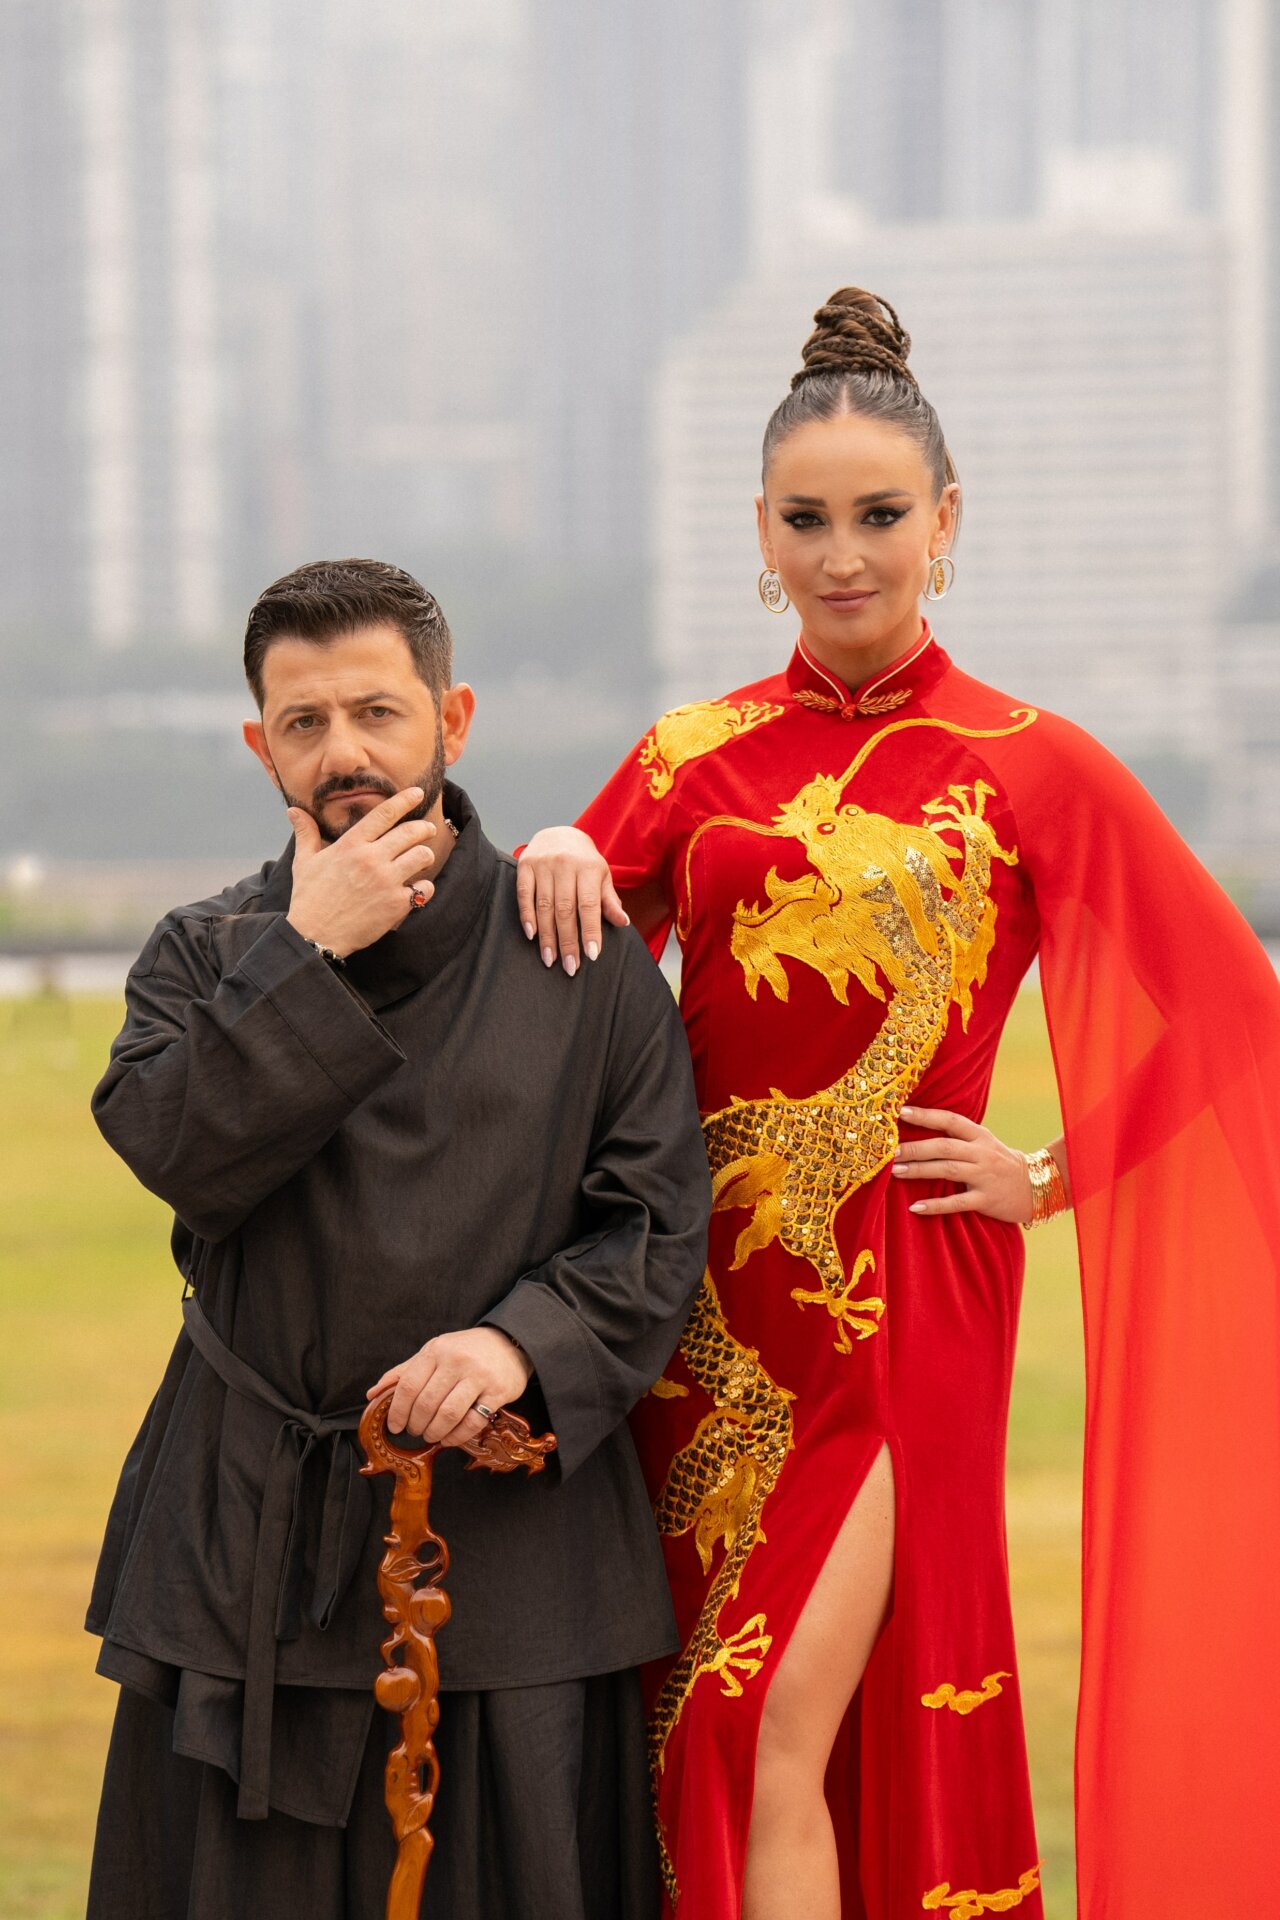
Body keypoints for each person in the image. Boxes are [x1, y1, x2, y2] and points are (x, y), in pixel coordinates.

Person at [515, 289, 1280, 1920]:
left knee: (758, 1728)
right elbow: (543, 984)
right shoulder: (686, 756)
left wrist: (1051, 1174)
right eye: (807, 521)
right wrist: (559, 847)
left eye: (879, 516)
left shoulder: (1030, 761)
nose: (844, 555)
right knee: (686, 1729)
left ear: (947, 521)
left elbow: (1234, 1017)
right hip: (697, 1315)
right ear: (761, 534)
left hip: (902, 1304)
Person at [84, 558, 711, 1920]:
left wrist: (515, 1345)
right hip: (249, 1540)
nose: (344, 754)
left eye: (378, 712)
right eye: (304, 723)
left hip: (513, 1549)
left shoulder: (579, 952)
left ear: (453, 719)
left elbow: (659, 1223)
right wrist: (302, 951)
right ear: (260, 747)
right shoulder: (204, 952)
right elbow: (175, 1150)